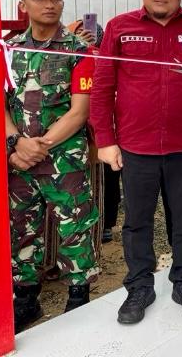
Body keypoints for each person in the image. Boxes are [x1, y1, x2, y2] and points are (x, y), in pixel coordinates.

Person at [89, 0, 182, 325]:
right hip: (136, 147)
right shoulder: (119, 28)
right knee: (136, 222)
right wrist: (105, 140)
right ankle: (139, 287)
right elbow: (102, 87)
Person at [4, 0, 99, 332]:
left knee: (75, 228)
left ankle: (78, 299)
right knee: (21, 230)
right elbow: (1, 104)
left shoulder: (78, 49)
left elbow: (79, 112)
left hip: (64, 160)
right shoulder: (9, 50)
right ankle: (26, 299)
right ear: (23, 4)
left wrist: (37, 146)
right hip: (19, 162)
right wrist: (16, 144)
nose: (49, 5)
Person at [67, 18, 118, 245]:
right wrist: (76, 48)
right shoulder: (65, 54)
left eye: (92, 32)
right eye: (79, 32)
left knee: (107, 177)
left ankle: (105, 224)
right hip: (73, 126)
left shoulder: (106, 56)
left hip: (103, 125)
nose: (88, 34)